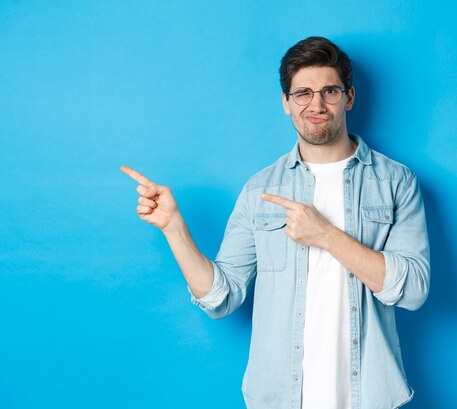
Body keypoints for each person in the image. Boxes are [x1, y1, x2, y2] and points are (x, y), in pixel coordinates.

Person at [121, 36, 430, 409]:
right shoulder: (260, 189)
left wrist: (327, 235)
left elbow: (413, 289)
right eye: (302, 93)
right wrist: (173, 228)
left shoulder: (396, 181)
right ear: (286, 103)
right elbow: (222, 296)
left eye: (329, 91)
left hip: (370, 397)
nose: (316, 104)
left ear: (349, 97)